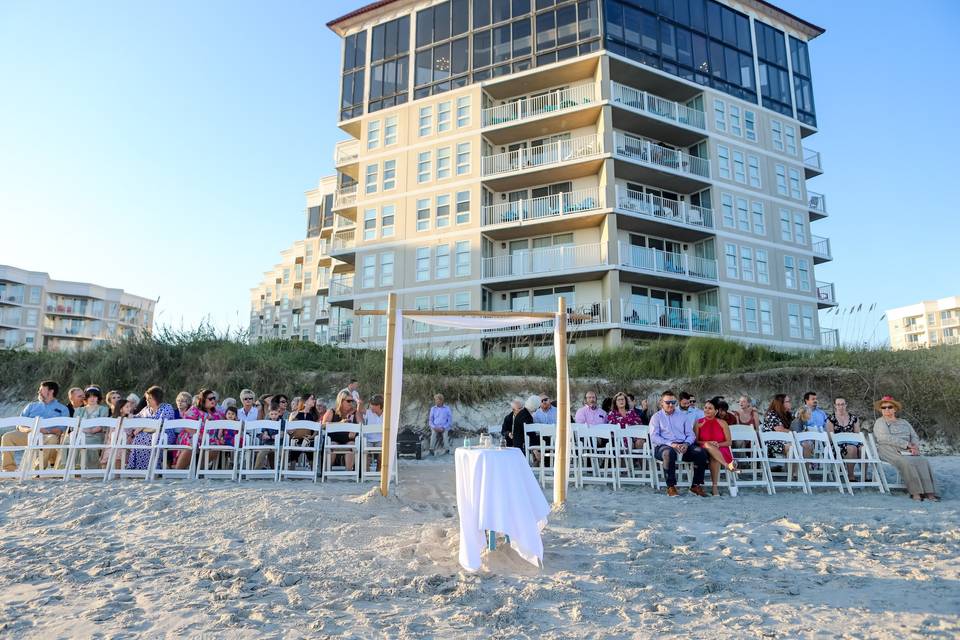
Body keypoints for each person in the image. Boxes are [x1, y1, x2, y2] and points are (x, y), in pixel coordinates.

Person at [872, 396, 939, 501]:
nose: (886, 410)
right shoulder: (880, 422)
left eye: (889, 407)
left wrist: (915, 446)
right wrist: (907, 444)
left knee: (923, 461)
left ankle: (929, 492)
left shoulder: (904, 422)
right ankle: (916, 492)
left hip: (907, 449)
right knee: (906, 462)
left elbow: (914, 436)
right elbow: (884, 438)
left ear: (895, 409)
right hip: (888, 449)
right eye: (883, 408)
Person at [1, 380, 70, 472]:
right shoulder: (31, 406)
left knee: (52, 439)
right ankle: (9, 469)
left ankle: (39, 466)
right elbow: (19, 424)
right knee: (7, 437)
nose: (39, 392)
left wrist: (47, 431)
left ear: (51, 391)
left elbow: (62, 429)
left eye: (41, 390)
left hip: (48, 436)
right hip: (29, 434)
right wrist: (28, 429)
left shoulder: (63, 409)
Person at [649, 390, 708, 497]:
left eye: (673, 402)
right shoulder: (656, 417)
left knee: (701, 452)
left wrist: (686, 443)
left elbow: (691, 435)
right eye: (668, 402)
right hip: (664, 446)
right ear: (661, 403)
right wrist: (671, 444)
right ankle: (671, 486)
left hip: (682, 445)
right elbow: (654, 437)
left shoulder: (682, 416)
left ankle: (695, 485)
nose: (671, 405)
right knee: (668, 453)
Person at [695, 400, 737, 495]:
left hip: (721, 448)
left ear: (716, 411)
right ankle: (728, 465)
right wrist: (709, 443)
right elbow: (696, 441)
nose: (707, 410)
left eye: (710, 408)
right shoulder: (698, 423)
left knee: (715, 457)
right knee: (707, 445)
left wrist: (717, 444)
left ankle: (715, 487)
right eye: (705, 408)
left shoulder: (722, 423)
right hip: (704, 448)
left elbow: (729, 442)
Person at [63, 386, 111, 470]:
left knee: (86, 441)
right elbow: (74, 425)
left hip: (96, 435)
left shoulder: (103, 409)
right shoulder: (79, 410)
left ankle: (88, 468)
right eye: (89, 396)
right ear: (86, 398)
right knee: (67, 442)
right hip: (81, 434)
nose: (92, 398)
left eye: (94, 396)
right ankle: (68, 467)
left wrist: (91, 431)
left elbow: (102, 425)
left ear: (98, 398)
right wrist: (84, 430)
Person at [129, 386, 175, 470]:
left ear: (157, 398)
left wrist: (142, 427)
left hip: (164, 435)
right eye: (147, 398)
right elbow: (135, 419)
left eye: (150, 398)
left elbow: (161, 425)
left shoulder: (167, 408)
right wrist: (128, 415)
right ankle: (139, 469)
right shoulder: (146, 409)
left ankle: (152, 468)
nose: (147, 400)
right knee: (139, 438)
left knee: (146, 438)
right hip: (148, 434)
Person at [179, 389, 224, 470]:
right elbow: (186, 425)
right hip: (192, 435)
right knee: (192, 443)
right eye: (210, 399)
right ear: (203, 400)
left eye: (214, 398)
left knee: (216, 447)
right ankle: (178, 470)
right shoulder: (195, 410)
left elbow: (223, 425)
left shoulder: (217, 413)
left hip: (210, 438)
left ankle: (199, 469)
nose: (213, 400)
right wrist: (199, 436)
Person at [322, 390, 358, 472]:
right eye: (348, 401)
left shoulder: (354, 412)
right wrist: (339, 423)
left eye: (352, 401)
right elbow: (323, 425)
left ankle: (348, 472)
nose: (350, 403)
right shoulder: (332, 411)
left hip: (348, 439)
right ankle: (327, 471)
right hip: (335, 439)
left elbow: (361, 425)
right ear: (341, 401)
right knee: (332, 444)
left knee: (352, 444)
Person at [827, 396, 861, 479]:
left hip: (853, 442)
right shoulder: (831, 419)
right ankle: (851, 475)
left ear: (846, 405)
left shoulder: (854, 418)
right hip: (837, 444)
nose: (840, 407)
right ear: (835, 406)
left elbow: (857, 434)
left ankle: (865, 476)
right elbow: (830, 437)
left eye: (842, 404)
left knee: (863, 448)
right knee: (851, 448)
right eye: (838, 404)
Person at [761, 394, 794, 459]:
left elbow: (792, 427)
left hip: (785, 440)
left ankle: (803, 469)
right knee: (793, 447)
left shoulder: (788, 414)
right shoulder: (771, 414)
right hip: (773, 443)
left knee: (805, 445)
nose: (790, 403)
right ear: (780, 404)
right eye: (788, 401)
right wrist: (794, 433)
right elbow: (780, 429)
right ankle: (790, 469)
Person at [254, 401, 284, 470]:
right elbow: (264, 430)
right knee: (261, 453)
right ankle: (256, 469)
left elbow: (282, 433)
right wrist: (265, 434)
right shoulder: (267, 421)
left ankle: (279, 470)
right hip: (268, 443)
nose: (273, 416)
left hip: (279, 444)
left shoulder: (282, 422)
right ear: (269, 414)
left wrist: (273, 437)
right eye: (272, 414)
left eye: (275, 414)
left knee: (281, 453)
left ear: (279, 413)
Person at [363, 395, 384, 472]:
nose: (371, 406)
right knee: (365, 451)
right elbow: (359, 411)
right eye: (370, 404)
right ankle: (366, 472)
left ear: (379, 406)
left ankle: (379, 470)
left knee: (383, 450)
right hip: (368, 439)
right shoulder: (368, 412)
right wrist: (359, 404)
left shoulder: (386, 414)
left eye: (372, 405)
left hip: (381, 439)